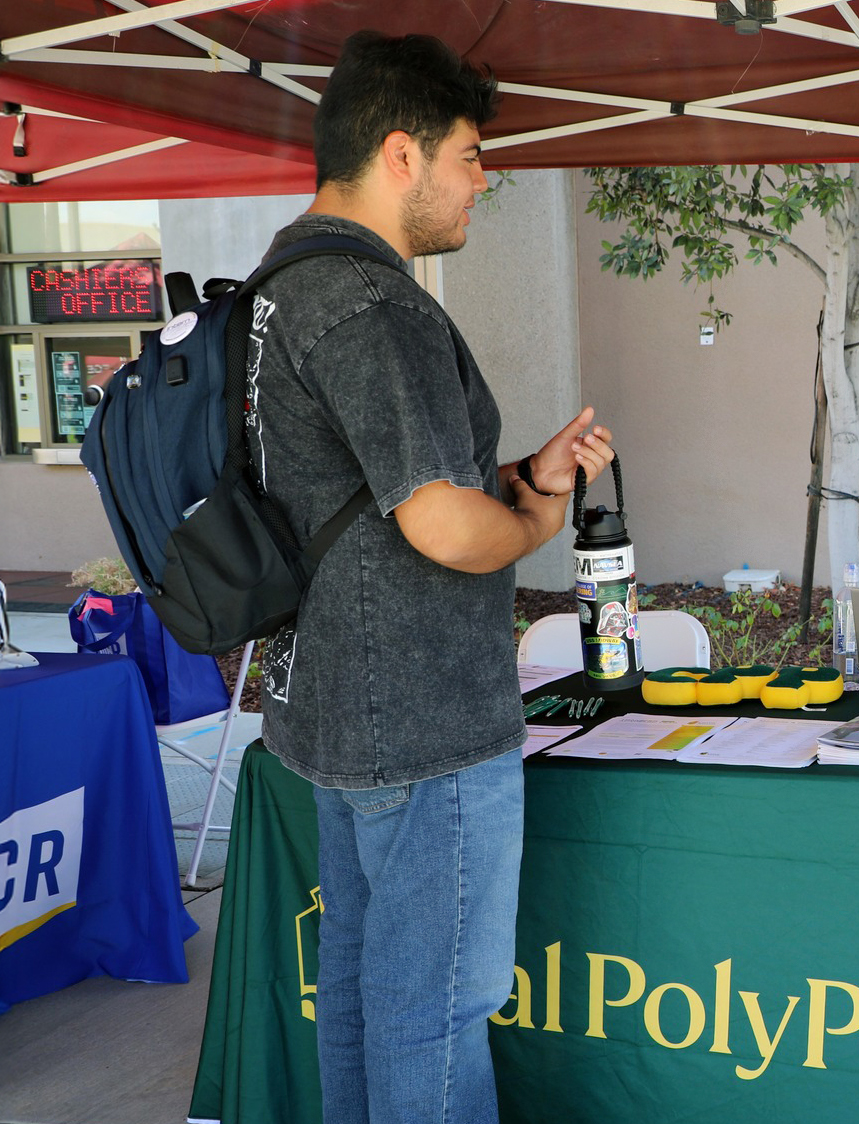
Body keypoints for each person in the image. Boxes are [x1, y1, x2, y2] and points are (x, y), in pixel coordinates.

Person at [250, 32, 616, 1124]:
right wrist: (534, 512)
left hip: (334, 710)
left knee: (367, 995)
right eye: (469, 153)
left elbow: (365, 485)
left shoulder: (282, 283)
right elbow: (445, 528)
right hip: (421, 722)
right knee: (435, 1011)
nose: (483, 177)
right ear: (401, 155)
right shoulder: (372, 303)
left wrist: (513, 472)